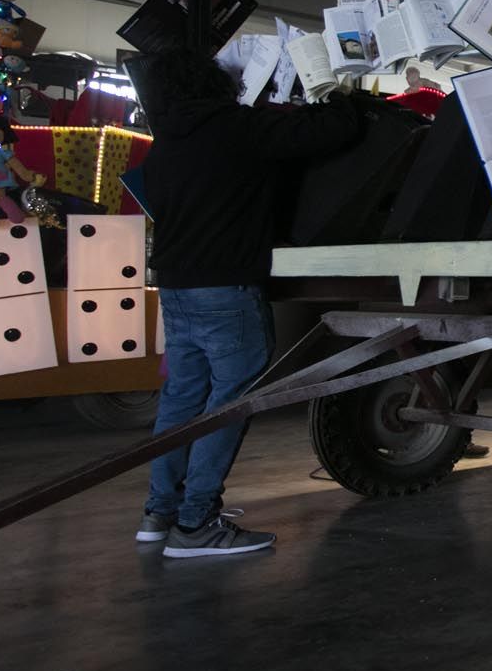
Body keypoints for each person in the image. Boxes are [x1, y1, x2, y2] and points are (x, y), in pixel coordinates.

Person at [134, 48, 362, 558]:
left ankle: (160, 513)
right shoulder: (235, 127)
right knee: (231, 404)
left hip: (175, 288)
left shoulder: (164, 142)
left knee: (181, 401)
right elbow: (331, 132)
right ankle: (196, 526)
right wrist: (335, 91)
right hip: (225, 289)